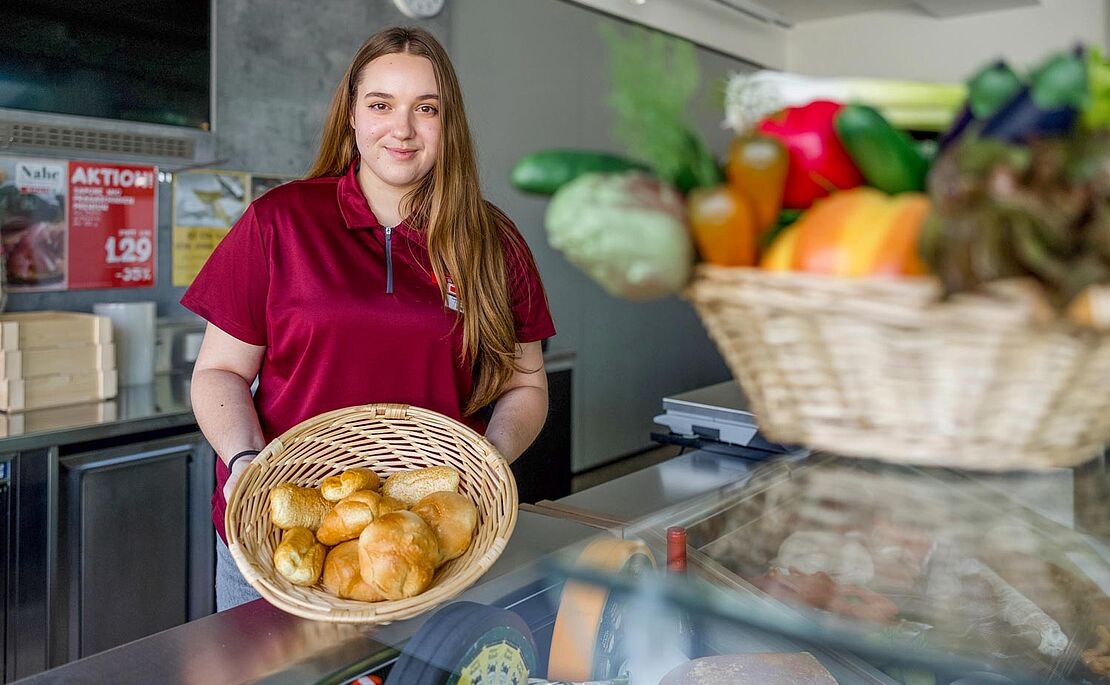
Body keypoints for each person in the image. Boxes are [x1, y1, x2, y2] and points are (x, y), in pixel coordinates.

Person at [182, 26, 556, 611]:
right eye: (381, 104)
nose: (401, 129)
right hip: (282, 543)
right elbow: (220, 373)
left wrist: (486, 466)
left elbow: (526, 384)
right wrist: (245, 462)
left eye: (425, 109)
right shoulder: (278, 221)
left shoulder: (492, 241)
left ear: (447, 124)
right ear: (352, 116)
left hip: (431, 544)